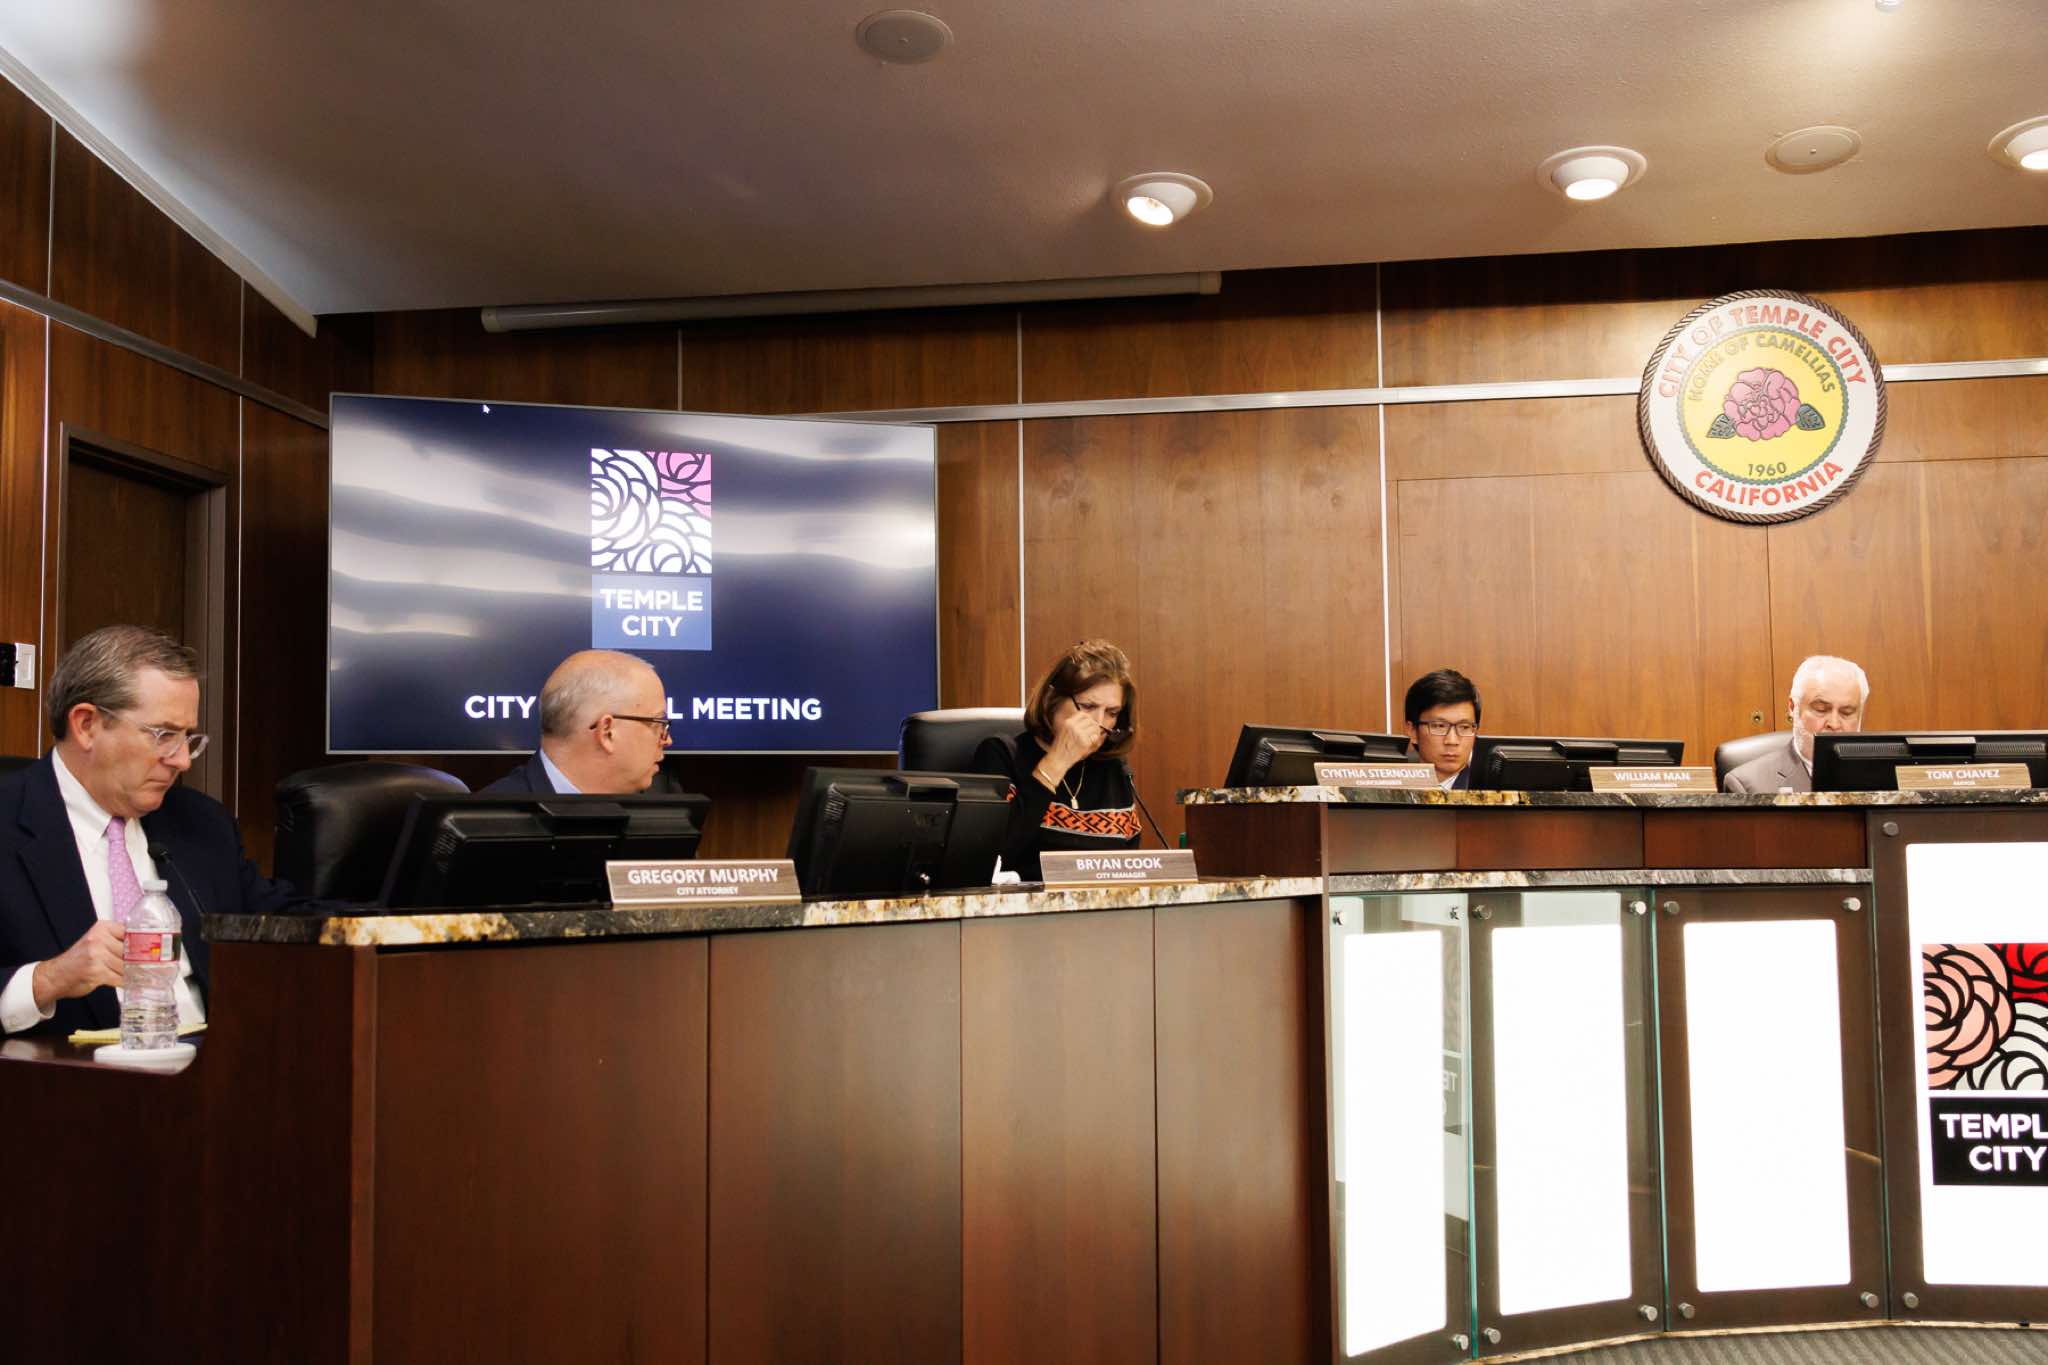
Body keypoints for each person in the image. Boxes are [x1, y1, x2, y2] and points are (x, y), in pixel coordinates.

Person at [0, 625, 308, 1038]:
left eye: (188, 737)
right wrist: (48, 979)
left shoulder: (201, 823)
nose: (182, 760)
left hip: (211, 1063)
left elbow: (282, 921)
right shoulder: (9, 823)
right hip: (68, 1072)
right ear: (87, 724)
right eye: (164, 735)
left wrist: (390, 923)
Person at [971, 639, 1142, 881]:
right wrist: (1057, 761)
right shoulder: (1001, 755)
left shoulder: (1114, 770)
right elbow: (991, 856)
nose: (1099, 723)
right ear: (1052, 699)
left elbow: (1128, 870)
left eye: (1112, 713)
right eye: (1088, 706)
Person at [484, 650, 672, 795]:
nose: (667, 740)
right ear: (607, 732)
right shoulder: (489, 823)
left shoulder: (663, 810)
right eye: (659, 724)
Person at [1723, 655, 1869, 794]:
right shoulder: (1749, 785)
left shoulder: (1879, 777)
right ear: (1793, 707)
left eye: (1846, 712)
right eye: (1821, 710)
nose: (1834, 724)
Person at [1403, 668, 1481, 791]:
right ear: (1412, 731)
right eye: (1440, 726)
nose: (1452, 741)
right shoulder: (1388, 789)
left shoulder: (1495, 794)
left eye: (1464, 727)